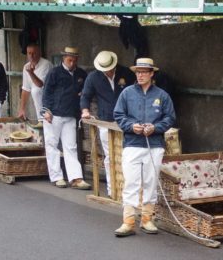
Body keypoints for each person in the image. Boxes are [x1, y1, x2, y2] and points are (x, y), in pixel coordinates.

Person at [113, 57, 176, 237]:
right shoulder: (127, 93)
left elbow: (170, 118)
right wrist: (131, 126)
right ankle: (128, 221)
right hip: (132, 143)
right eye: (138, 72)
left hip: (154, 144)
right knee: (131, 181)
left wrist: (156, 128)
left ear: (151, 74)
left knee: (150, 181)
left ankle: (147, 219)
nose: (140, 75)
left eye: (143, 72)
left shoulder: (162, 95)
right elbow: (118, 114)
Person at [80, 50, 136, 197]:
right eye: (105, 69)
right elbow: (85, 96)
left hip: (127, 120)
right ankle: (113, 191)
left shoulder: (126, 73)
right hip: (106, 120)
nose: (108, 71)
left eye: (110, 68)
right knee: (110, 156)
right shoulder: (93, 77)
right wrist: (85, 111)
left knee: (128, 155)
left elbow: (135, 93)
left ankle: (129, 190)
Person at [42, 46, 91, 190]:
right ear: (64, 58)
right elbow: (47, 92)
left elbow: (85, 92)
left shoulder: (81, 74)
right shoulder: (55, 72)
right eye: (70, 58)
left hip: (70, 115)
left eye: (75, 59)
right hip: (54, 114)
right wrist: (46, 110)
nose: (72, 61)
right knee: (52, 145)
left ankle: (76, 178)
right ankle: (57, 177)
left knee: (71, 147)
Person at [18, 43, 53, 122]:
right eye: (29, 53)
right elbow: (25, 89)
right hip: (39, 106)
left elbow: (40, 84)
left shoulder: (46, 64)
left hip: (49, 106)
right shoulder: (26, 67)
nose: (31, 55)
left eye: (34, 53)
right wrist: (22, 109)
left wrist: (31, 73)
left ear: (39, 53)